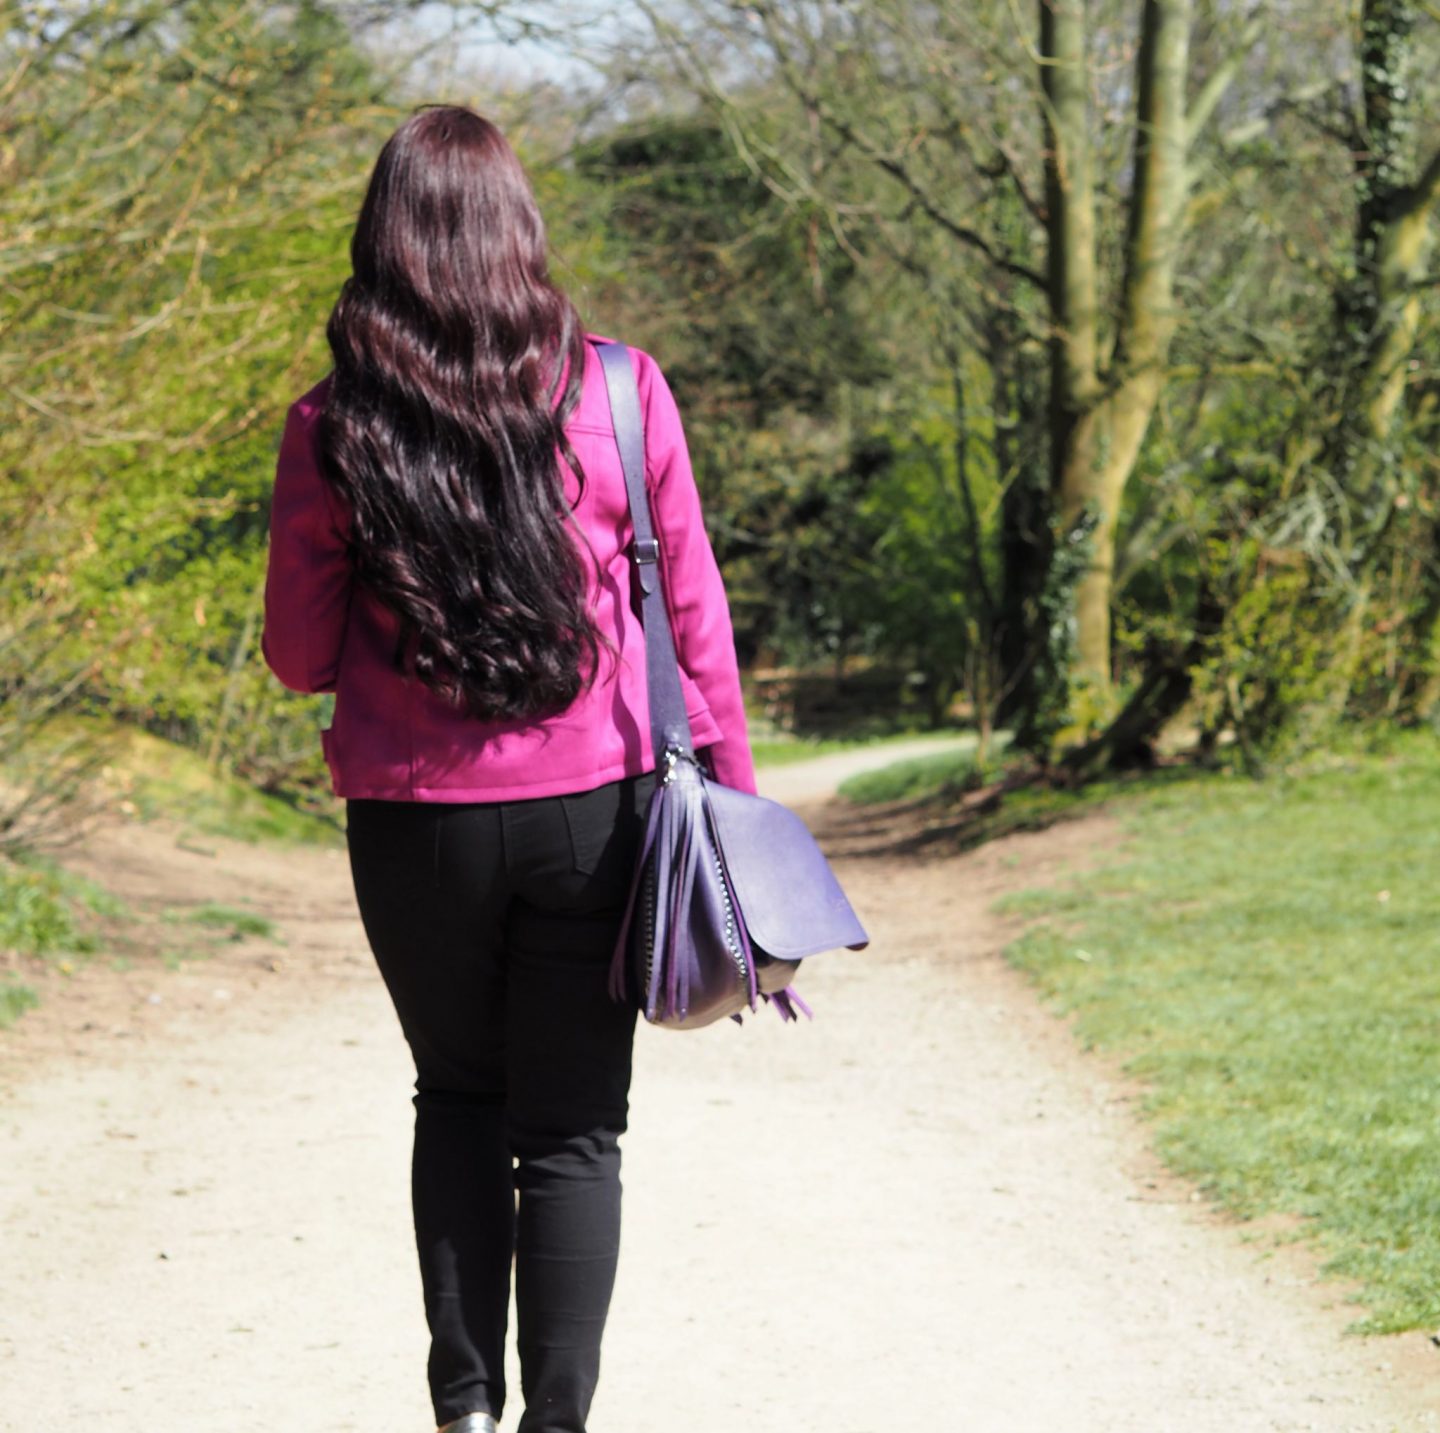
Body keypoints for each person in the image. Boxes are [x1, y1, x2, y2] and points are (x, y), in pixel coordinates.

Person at [260, 104, 756, 1433]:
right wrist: (740, 817)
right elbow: (694, 619)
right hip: (598, 815)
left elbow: (299, 657)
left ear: (383, 245)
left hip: (414, 824)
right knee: (576, 1135)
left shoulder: (331, 427)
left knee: (459, 1096)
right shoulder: (619, 388)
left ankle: (466, 1410)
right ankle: (557, 1426)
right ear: (517, 234)